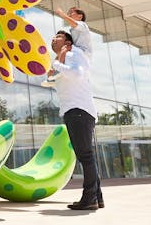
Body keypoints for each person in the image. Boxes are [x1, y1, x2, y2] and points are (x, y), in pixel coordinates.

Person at [49, 30, 104, 210]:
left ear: (68, 43)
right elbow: (50, 77)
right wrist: (58, 60)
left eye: (57, 36)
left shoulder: (74, 54)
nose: (52, 39)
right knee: (87, 156)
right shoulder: (65, 57)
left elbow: (76, 74)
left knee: (85, 157)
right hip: (77, 111)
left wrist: (60, 60)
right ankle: (97, 197)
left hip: (78, 111)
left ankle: (89, 199)